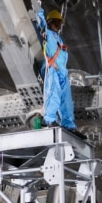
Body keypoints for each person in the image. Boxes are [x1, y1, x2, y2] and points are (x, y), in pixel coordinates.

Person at [35, 8, 85, 139]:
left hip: (62, 72)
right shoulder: (47, 34)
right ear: (50, 22)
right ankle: (49, 120)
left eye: (59, 23)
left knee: (67, 101)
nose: (58, 25)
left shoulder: (59, 39)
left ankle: (69, 126)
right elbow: (40, 23)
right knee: (54, 94)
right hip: (52, 69)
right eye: (55, 22)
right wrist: (39, 10)